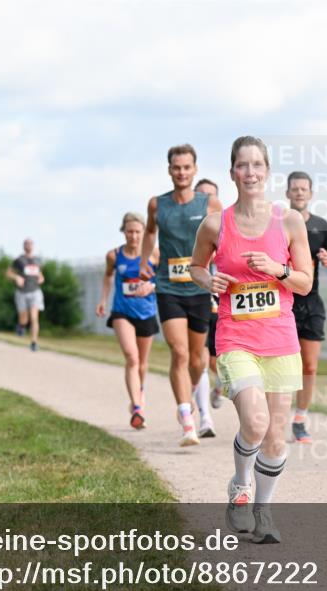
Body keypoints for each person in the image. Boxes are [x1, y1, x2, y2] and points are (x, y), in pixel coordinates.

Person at [190, 136, 313, 544]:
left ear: (268, 171)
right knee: (255, 422)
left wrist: (278, 270)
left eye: (257, 165)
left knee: (276, 437)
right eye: (242, 166)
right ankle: (240, 486)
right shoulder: (214, 224)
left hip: (280, 339)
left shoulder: (290, 222)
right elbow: (196, 268)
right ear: (232, 173)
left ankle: (263, 513)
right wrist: (211, 279)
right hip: (235, 337)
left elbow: (305, 283)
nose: (250, 173)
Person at [139, 144, 222, 446]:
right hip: (168, 287)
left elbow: (224, 238)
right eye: (176, 167)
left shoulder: (210, 204)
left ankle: (192, 392)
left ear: (195, 169)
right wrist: (144, 262)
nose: (182, 173)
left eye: (187, 167)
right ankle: (186, 417)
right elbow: (149, 233)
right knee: (180, 352)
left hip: (199, 287)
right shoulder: (157, 205)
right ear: (169, 170)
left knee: (199, 360)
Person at [286, 171, 327, 444]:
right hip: (284, 301)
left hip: (312, 303)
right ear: (287, 193)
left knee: (309, 366)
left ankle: (299, 419)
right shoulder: (279, 223)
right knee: (283, 365)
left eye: (303, 189)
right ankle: (269, 418)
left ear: (310, 193)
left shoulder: (321, 225)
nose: (299, 193)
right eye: (294, 189)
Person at [97, 212, 160, 430]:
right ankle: (137, 408)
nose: (133, 236)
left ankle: (139, 392)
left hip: (146, 312)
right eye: (129, 232)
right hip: (122, 312)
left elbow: (163, 279)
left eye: (137, 232)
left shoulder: (154, 255)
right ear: (123, 232)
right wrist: (103, 300)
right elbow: (107, 276)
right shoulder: (114, 256)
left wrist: (152, 285)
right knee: (132, 358)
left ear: (144, 232)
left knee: (142, 363)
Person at [195, 178, 224, 409]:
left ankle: (219, 384)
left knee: (217, 362)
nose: (205, 200)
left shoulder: (226, 228)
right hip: (192, 302)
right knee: (199, 358)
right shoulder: (187, 230)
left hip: (219, 306)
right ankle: (201, 415)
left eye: (210, 196)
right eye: (200, 195)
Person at [6, 238, 46, 352]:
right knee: (24, 319)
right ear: (23, 246)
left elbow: (40, 274)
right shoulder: (19, 260)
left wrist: (41, 278)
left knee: (34, 318)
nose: (29, 246)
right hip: (22, 292)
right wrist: (16, 277)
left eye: (30, 244)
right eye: (26, 244)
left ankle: (34, 342)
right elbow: (8, 273)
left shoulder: (38, 260)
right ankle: (21, 326)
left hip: (35, 292)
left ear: (33, 246)